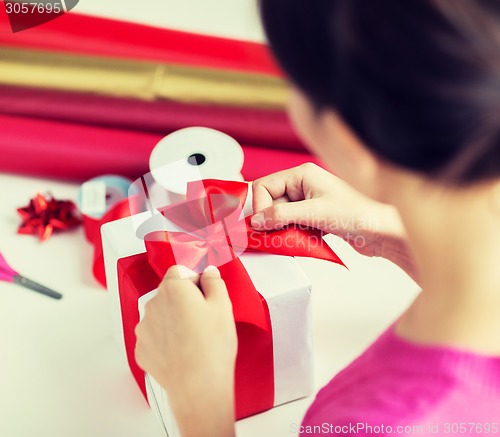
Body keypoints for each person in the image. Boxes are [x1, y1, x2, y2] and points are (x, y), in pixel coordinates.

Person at [134, 0, 500, 435]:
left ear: (350, 144)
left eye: (294, 82)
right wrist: (399, 237)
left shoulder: (382, 423)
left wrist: (200, 402)